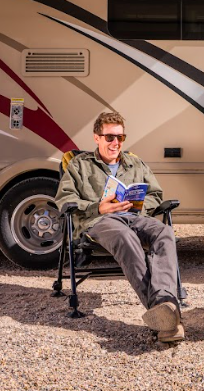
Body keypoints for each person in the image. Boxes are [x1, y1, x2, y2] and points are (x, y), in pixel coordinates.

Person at [55, 111, 184, 342]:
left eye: (120, 138)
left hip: (135, 216)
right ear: (97, 137)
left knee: (164, 232)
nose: (116, 143)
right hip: (99, 221)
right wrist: (98, 207)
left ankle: (165, 306)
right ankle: (165, 311)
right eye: (110, 138)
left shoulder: (136, 163)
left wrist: (139, 205)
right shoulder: (79, 165)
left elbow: (156, 194)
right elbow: (64, 200)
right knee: (125, 236)